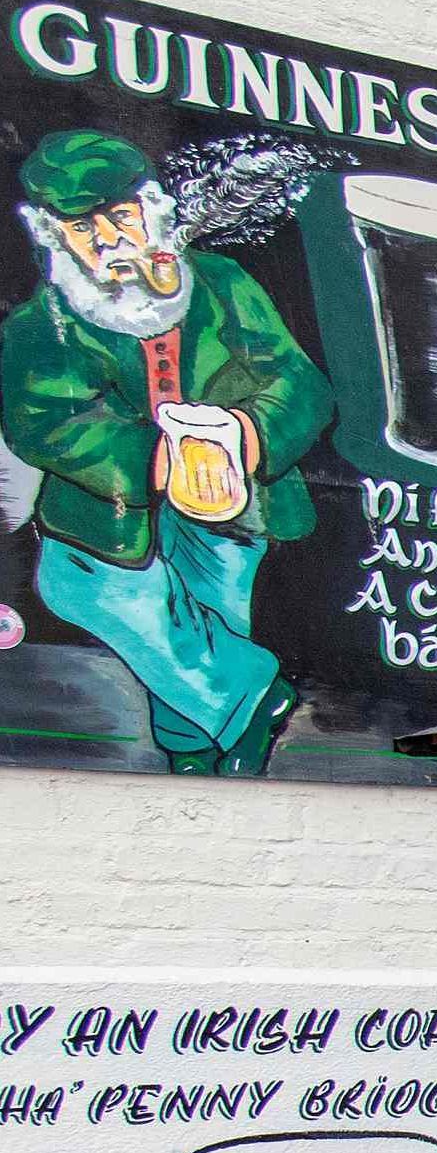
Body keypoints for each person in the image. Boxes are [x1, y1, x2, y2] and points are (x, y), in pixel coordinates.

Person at [1, 130, 329, 777]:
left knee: (204, 626)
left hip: (235, 499)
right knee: (72, 585)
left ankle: (201, 760)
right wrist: (153, 459)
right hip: (108, 513)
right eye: (81, 228)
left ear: (149, 209)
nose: (107, 241)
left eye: (119, 217)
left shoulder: (221, 282)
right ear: (51, 235)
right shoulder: (39, 326)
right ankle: (256, 697)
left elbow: (298, 381)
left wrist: (244, 435)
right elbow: (43, 423)